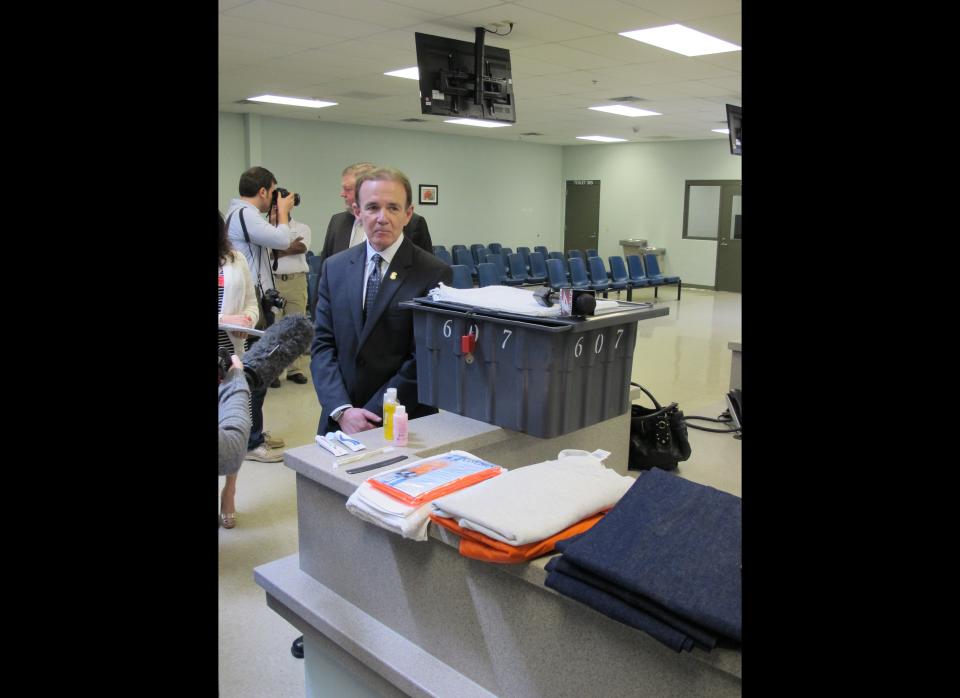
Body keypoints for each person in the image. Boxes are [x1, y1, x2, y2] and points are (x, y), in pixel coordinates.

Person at [310, 166, 452, 435]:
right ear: (357, 212)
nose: (382, 218)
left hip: (403, 420)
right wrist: (342, 410)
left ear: (408, 214)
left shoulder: (433, 273)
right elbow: (322, 346)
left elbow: (423, 358)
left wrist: (374, 413)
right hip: (340, 419)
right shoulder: (334, 268)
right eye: (372, 207)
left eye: (393, 208)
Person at [224, 167, 304, 461]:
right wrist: (283, 212)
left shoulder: (243, 216)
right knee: (255, 374)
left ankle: (253, 433)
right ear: (262, 192)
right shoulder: (245, 214)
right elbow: (284, 241)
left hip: (256, 304)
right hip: (251, 309)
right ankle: (251, 442)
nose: (275, 197)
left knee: (255, 374)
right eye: (273, 192)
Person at [218, 210, 260, 528]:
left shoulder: (235, 259)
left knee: (234, 424)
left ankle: (230, 490)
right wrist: (224, 320)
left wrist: (247, 320)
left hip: (230, 354)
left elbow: (250, 303)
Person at [319, 162, 434, 267]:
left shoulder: (413, 223)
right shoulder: (337, 222)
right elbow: (325, 270)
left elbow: (426, 271)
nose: (342, 194)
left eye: (348, 189)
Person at [268, 204, 312, 386]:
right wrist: (287, 245)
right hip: (273, 283)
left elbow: (300, 247)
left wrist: (277, 250)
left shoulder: (302, 228)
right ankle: (275, 372)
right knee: (275, 329)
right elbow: (266, 253)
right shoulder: (266, 231)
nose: (275, 213)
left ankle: (296, 369)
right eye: (273, 209)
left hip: (296, 281)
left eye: (279, 209)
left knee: (296, 327)